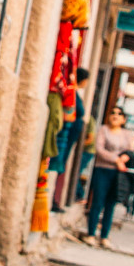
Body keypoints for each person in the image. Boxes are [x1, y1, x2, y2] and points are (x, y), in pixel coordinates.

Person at [81, 106, 134, 249]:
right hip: (102, 169)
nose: (115, 115)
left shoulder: (126, 134)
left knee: (111, 205)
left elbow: (130, 150)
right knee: (97, 202)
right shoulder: (103, 130)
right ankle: (91, 233)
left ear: (123, 119)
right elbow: (99, 149)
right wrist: (116, 159)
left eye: (119, 114)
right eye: (113, 112)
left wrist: (123, 158)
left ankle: (104, 236)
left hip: (118, 173)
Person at [51, 68, 90, 211]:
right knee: (59, 163)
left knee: (62, 164)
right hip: (65, 136)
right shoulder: (72, 93)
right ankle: (53, 200)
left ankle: (54, 200)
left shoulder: (75, 94)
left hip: (69, 136)